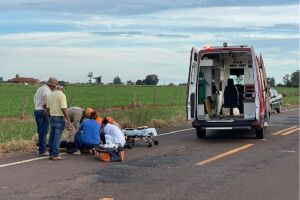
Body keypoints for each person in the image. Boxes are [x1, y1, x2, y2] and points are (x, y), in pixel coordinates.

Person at [33, 77, 57, 156]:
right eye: (54, 86)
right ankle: (42, 150)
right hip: (43, 111)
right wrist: (48, 111)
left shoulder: (40, 88)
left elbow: (34, 98)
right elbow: (46, 104)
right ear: (51, 85)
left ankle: (40, 147)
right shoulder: (48, 91)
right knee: (44, 131)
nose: (54, 88)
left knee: (40, 130)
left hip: (37, 110)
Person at [47, 85, 71, 161]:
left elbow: (48, 108)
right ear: (62, 88)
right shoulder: (62, 95)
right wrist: (68, 119)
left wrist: (49, 116)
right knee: (57, 137)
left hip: (52, 117)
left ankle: (51, 153)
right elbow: (63, 108)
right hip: (59, 118)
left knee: (52, 136)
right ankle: (55, 155)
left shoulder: (51, 94)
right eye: (64, 89)